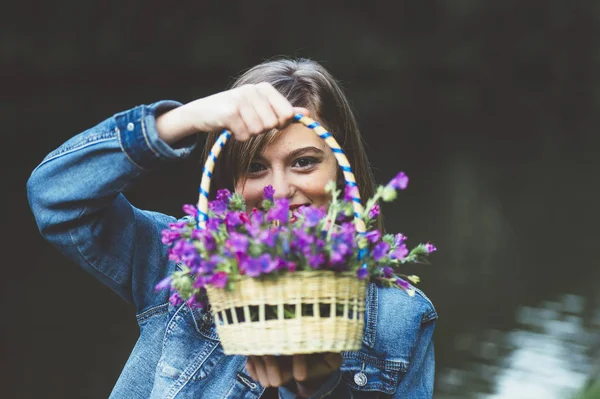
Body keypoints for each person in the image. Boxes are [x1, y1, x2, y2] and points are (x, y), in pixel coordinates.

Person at [27, 58, 437, 398]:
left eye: (304, 161)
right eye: (255, 167)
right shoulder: (181, 263)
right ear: (229, 181)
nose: (278, 192)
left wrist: (319, 386)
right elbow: (56, 200)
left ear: (341, 170)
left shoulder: (399, 317)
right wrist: (183, 119)